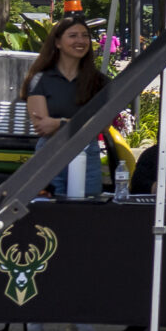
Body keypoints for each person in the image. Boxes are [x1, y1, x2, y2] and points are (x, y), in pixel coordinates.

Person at [25, 15, 109, 196]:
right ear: (57, 42)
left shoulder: (99, 82)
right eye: (73, 35)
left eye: (85, 35)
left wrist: (58, 123)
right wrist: (81, 123)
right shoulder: (40, 79)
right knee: (49, 212)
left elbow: (101, 125)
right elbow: (42, 127)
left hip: (87, 154)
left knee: (87, 212)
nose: (80, 40)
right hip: (49, 155)